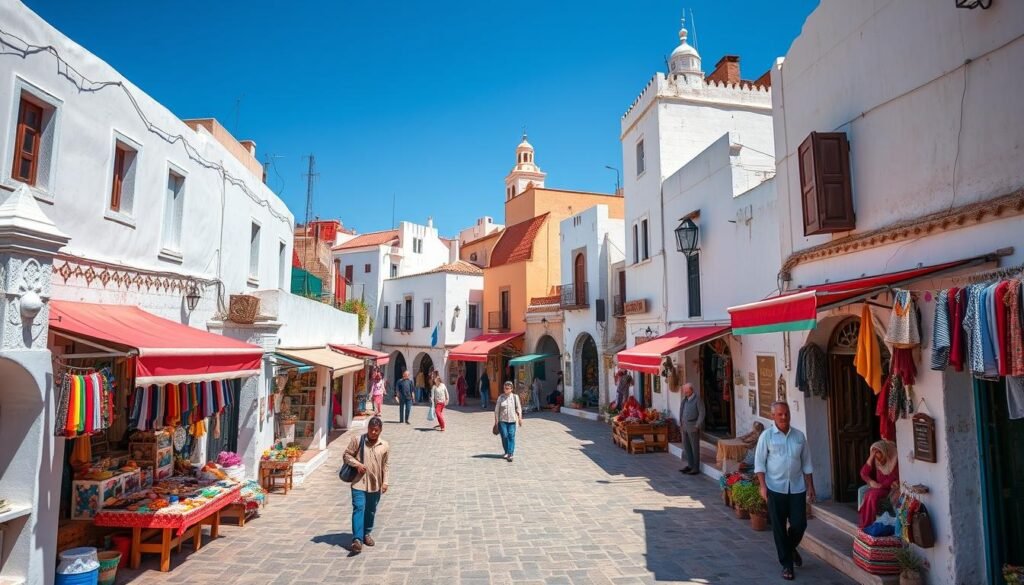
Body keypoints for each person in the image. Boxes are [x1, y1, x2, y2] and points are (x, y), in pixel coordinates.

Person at [754, 401, 815, 581]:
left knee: (799, 524)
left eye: (786, 413)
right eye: (780, 414)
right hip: (775, 487)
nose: (784, 417)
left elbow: (807, 462)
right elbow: (759, 464)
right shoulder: (766, 437)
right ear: (773, 416)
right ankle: (787, 565)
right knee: (779, 528)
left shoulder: (799, 436)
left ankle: (790, 548)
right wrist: (763, 486)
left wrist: (811, 486)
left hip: (797, 487)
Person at [344, 416, 389, 553]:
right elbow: (346, 455)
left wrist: (385, 481)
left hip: (375, 484)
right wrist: (357, 464)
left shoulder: (384, 445)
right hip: (359, 482)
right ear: (368, 428)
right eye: (371, 429)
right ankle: (357, 539)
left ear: (380, 430)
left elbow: (385, 465)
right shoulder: (357, 441)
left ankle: (366, 533)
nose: (373, 432)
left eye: (376, 430)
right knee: (359, 508)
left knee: (370, 510)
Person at [859, 440, 899, 529]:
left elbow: (892, 479)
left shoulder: (893, 461)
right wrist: (870, 482)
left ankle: (870, 523)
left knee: (872, 495)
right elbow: (863, 473)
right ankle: (865, 523)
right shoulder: (876, 461)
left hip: (889, 489)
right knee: (867, 494)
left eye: (878, 453)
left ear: (884, 451)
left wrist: (879, 486)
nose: (877, 457)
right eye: (874, 454)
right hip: (878, 487)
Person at [678, 383, 705, 475]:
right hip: (685, 426)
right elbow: (681, 411)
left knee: (694, 448)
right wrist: (680, 423)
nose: (685, 392)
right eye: (684, 390)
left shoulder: (697, 399)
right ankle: (690, 465)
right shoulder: (684, 400)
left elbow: (702, 413)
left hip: (693, 426)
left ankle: (695, 468)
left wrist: (697, 425)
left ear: (691, 390)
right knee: (687, 447)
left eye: (686, 390)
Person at [494, 381, 523, 462]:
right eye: (504, 388)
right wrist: (496, 421)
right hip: (502, 421)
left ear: (511, 389)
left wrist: (520, 418)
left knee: (511, 436)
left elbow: (518, 408)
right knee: (505, 436)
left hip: (512, 420)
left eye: (507, 388)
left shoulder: (515, 397)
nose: (505, 390)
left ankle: (510, 453)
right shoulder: (501, 397)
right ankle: (506, 451)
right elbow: (496, 410)